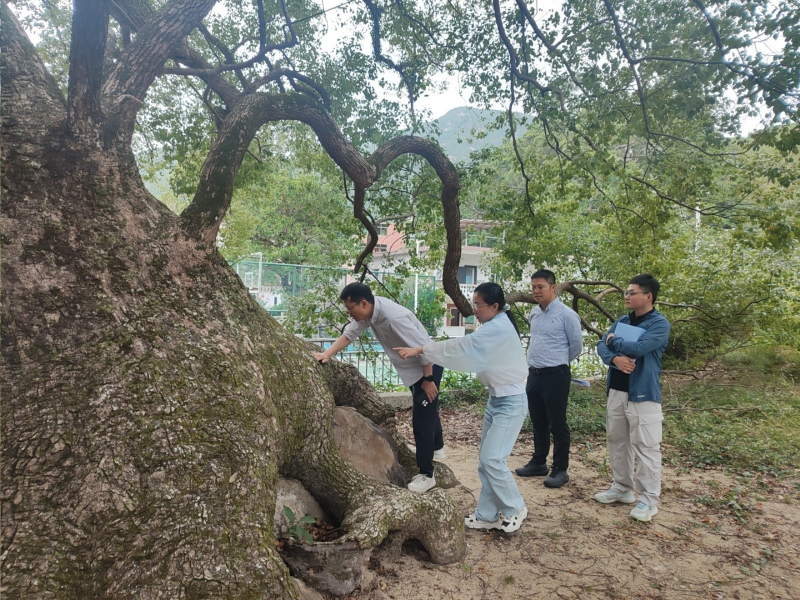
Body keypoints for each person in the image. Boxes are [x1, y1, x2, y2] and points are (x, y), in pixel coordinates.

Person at [394, 282, 529, 533]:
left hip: (511, 402)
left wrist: (422, 349)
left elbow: (463, 347)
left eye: (478, 305)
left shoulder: (498, 327)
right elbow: (471, 352)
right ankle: (487, 515)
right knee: (485, 462)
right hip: (497, 400)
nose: (474, 310)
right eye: (474, 304)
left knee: (492, 459)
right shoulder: (494, 326)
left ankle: (515, 508)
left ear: (495, 306)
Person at [313, 282, 445, 493]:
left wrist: (428, 379)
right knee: (427, 409)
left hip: (428, 367)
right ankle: (437, 447)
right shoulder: (369, 313)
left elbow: (427, 350)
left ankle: (427, 475)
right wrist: (327, 354)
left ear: (363, 303)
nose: (350, 313)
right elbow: (350, 334)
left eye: (350, 308)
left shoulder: (394, 318)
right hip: (414, 371)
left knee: (422, 419)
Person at [594, 274, 670, 522]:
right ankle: (622, 488)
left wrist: (614, 341)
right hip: (617, 390)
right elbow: (600, 345)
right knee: (617, 441)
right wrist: (614, 357)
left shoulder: (659, 324)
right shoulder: (622, 321)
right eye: (626, 292)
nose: (626, 296)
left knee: (646, 447)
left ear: (648, 296)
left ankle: (648, 500)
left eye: (632, 292)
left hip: (643, 394)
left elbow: (638, 349)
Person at [515, 269, 583, 489]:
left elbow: (576, 347)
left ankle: (560, 469)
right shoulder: (535, 313)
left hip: (556, 375)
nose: (536, 291)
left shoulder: (567, 315)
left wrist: (557, 361)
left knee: (557, 423)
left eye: (541, 287)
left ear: (553, 287)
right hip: (534, 375)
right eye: (533, 287)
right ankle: (538, 462)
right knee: (538, 421)